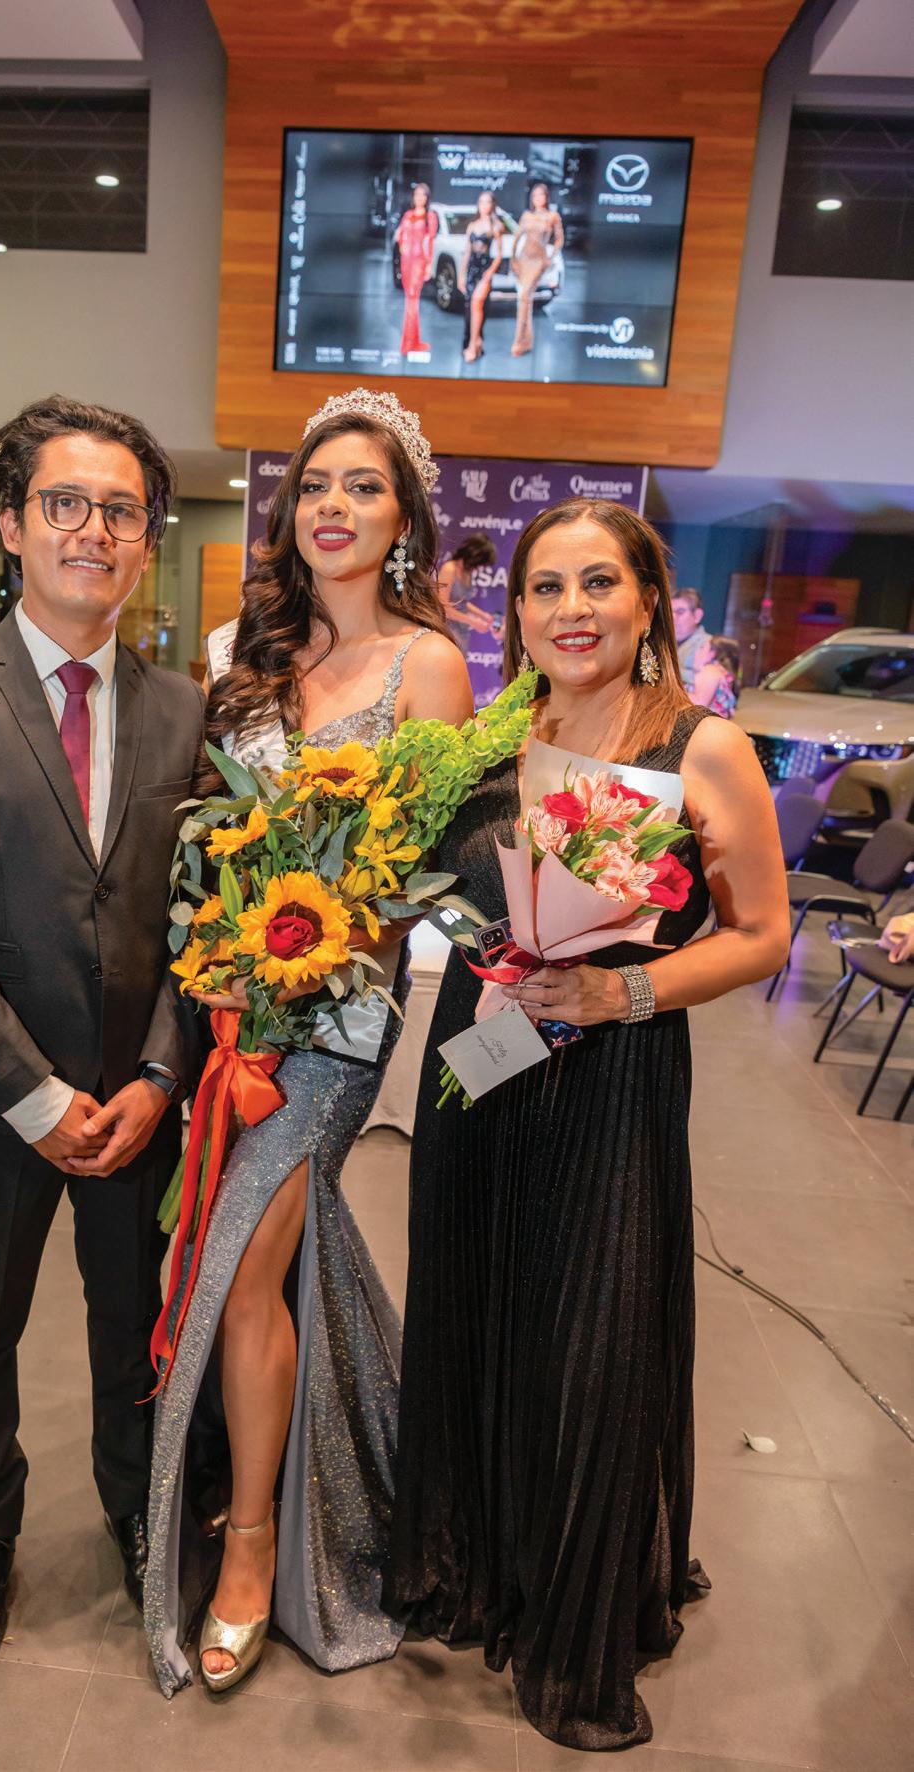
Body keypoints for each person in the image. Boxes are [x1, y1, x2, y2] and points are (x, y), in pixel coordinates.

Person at [385, 499, 790, 1750]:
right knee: (478, 1308)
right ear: (516, 610)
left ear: (647, 598)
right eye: (546, 586)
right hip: (481, 1062)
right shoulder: (493, 733)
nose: (572, 608)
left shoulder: (702, 745)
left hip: (611, 1075)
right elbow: (437, 883)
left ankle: (575, 1614)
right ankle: (478, 1566)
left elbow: (763, 933)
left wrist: (627, 992)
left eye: (599, 581)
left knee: (591, 1341)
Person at [0, 394, 205, 1692]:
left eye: (121, 510)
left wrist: (161, 1074)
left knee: (133, 1325)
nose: (93, 531)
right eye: (66, 503)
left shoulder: (183, 712)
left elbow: (201, 921)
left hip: (138, 1102)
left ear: (145, 538)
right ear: (12, 524)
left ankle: (136, 1514)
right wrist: (34, 1093)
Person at [144, 389, 471, 1696]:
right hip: (230, 1004)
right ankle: (359, 1468)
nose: (334, 506)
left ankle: (248, 1548)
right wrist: (222, 939)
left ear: (402, 520)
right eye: (316, 485)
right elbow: (206, 830)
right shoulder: (241, 650)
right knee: (274, 1263)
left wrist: (321, 937)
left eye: (364, 487)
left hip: (335, 1018)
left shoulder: (427, 665)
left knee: (239, 1267)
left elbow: (422, 869)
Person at [510, 182, 563, 357]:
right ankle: (526, 341)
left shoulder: (552, 216)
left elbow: (559, 239)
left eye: (541, 195)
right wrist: (513, 258)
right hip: (523, 259)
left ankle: (519, 341)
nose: (538, 198)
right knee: (525, 300)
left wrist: (550, 257)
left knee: (525, 297)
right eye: (535, 195)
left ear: (546, 197)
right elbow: (517, 237)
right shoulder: (527, 215)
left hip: (538, 261)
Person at [395, 181, 439, 356]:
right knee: (410, 300)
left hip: (419, 263)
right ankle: (413, 341)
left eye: (423, 194)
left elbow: (430, 242)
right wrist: (402, 246)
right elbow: (400, 235)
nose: (419, 197)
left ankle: (408, 344)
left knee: (412, 301)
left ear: (427, 198)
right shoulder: (407, 215)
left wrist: (428, 266)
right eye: (417, 194)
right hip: (406, 261)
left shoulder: (431, 216)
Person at [459, 191, 503, 363]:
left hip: (485, 271)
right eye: (481, 202)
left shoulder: (496, 226)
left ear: (492, 205)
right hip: (471, 270)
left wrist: (490, 272)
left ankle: (472, 345)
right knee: (472, 307)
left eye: (488, 202)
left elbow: (499, 255)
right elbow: (467, 253)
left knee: (477, 303)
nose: (484, 205)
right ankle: (477, 341)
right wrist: (461, 276)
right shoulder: (472, 225)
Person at [436, 532, 497, 651]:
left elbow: (462, 602)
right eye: (479, 564)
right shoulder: (449, 569)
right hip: (448, 630)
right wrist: (473, 621)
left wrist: (483, 615)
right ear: (474, 556)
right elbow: (443, 608)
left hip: (462, 629)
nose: (478, 568)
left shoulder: (467, 571)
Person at [671, 587, 709, 694]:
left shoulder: (709, 646)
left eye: (680, 612)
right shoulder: (668, 643)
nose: (672, 618)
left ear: (697, 616)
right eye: (670, 612)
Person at [691, 634, 740, 717]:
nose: (696, 651)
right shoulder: (721, 672)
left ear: (712, 653)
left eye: (702, 647)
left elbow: (699, 705)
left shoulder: (711, 671)